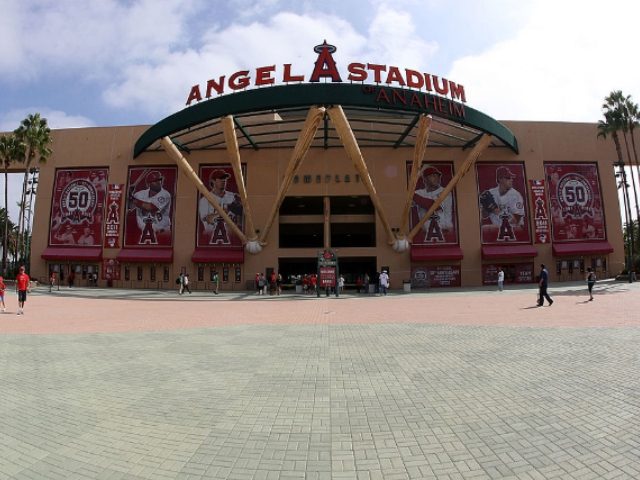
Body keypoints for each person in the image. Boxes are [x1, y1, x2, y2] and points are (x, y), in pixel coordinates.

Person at [198, 169, 243, 243]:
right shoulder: (205, 200)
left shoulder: (233, 197)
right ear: (213, 181)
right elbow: (208, 219)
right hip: (211, 239)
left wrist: (240, 212)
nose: (224, 181)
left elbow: (241, 222)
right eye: (221, 179)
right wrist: (226, 210)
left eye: (225, 179)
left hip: (232, 239)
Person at [479, 167, 525, 236]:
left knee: (485, 229)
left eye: (511, 178)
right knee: (482, 229)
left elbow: (516, 220)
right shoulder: (491, 193)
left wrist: (495, 210)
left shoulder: (515, 195)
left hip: (514, 229)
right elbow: (484, 216)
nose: (511, 180)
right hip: (498, 228)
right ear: (500, 179)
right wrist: (486, 208)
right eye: (508, 178)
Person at [413, 165, 454, 241]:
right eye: (432, 176)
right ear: (425, 179)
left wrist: (415, 197)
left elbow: (433, 205)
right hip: (425, 233)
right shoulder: (419, 192)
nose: (437, 178)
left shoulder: (445, 192)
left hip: (444, 231)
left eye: (438, 176)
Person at [130, 170, 172, 240]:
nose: (159, 182)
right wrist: (128, 194)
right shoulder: (139, 194)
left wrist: (133, 199)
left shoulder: (165, 194)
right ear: (148, 184)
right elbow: (130, 207)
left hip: (162, 233)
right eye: (155, 181)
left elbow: (151, 207)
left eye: (159, 180)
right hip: (143, 233)